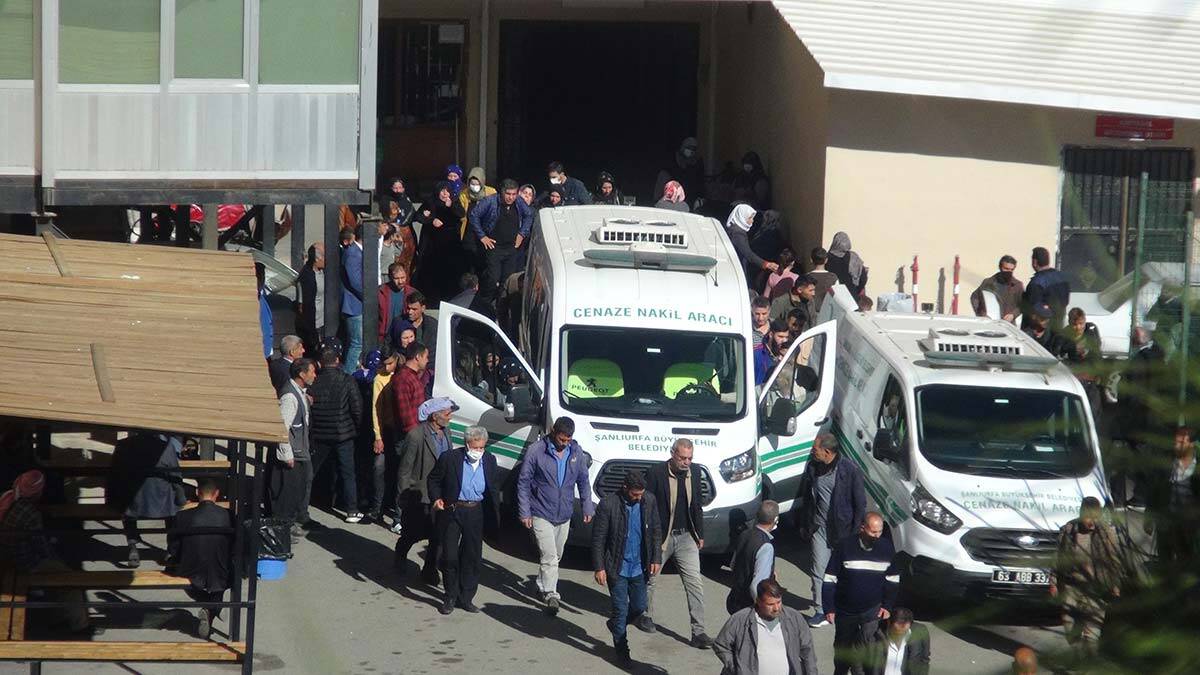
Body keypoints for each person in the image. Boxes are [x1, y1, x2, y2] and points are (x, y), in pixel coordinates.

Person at [0, 471, 96, 636]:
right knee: (69, 580)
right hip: (23, 561)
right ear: (37, 491)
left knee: (56, 572)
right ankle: (80, 626)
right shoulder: (31, 512)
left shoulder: (7, 497)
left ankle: (58, 614)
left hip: (6, 554)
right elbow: (42, 548)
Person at [517, 417, 594, 616]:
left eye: (568, 440)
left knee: (556, 555)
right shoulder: (536, 451)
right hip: (541, 511)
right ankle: (551, 594)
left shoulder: (576, 452)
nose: (564, 444)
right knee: (549, 556)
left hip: (564, 513)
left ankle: (542, 584)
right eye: (561, 440)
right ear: (553, 432)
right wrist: (525, 511)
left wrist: (587, 506)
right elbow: (524, 482)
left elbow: (584, 481)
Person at [643, 439, 712, 648]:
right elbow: (648, 507)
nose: (686, 462)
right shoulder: (656, 473)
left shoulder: (696, 471)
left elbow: (697, 505)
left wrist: (699, 533)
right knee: (651, 579)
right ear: (673, 454)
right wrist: (651, 539)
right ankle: (644, 614)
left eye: (690, 458)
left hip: (687, 537)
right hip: (662, 537)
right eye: (682, 458)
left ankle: (698, 632)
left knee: (695, 584)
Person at [592, 470, 662, 667]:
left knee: (640, 606)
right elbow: (598, 539)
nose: (639, 498)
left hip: (639, 567)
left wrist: (656, 557)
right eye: (635, 494)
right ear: (625, 488)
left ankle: (615, 625)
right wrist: (599, 567)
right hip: (617, 567)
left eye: (641, 494)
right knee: (621, 610)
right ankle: (622, 651)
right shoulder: (608, 505)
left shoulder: (649, 501)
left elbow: (656, 530)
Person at [428, 425, 500, 615]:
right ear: (467, 444)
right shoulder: (450, 458)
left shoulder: (490, 461)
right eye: (475, 447)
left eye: (481, 448)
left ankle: (465, 597)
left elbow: (493, 488)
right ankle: (450, 594)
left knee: (472, 556)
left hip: (475, 512)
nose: (478, 452)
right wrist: (436, 498)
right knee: (450, 556)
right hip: (453, 510)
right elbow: (434, 480)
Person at [796, 434, 866, 629]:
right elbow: (808, 499)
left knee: (844, 572)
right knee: (818, 570)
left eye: (815, 449)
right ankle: (821, 610)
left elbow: (860, 504)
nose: (812, 451)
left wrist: (855, 533)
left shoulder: (849, 470)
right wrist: (804, 523)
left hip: (843, 531)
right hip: (819, 528)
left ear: (827, 452)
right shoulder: (813, 467)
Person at [823, 512, 901, 675]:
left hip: (872, 611)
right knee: (842, 650)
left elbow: (892, 579)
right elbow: (830, 579)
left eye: (879, 532)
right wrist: (829, 608)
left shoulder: (886, 548)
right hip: (845, 611)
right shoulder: (845, 546)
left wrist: (887, 605)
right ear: (862, 528)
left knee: (867, 649)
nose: (877, 536)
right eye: (873, 532)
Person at [395, 396, 458, 582]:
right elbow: (404, 470)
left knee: (438, 535)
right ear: (434, 416)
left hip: (441, 495)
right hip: (419, 494)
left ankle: (429, 569)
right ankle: (400, 553)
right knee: (413, 532)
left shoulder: (447, 432)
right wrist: (403, 498)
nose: (450, 418)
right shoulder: (415, 436)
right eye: (447, 414)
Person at [1051, 496, 1123, 659]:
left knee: (1092, 632)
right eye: (1088, 516)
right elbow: (1058, 557)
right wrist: (1054, 581)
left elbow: (1114, 561)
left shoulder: (1106, 533)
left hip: (1096, 587)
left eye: (1094, 516)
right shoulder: (1069, 530)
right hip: (1071, 586)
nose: (1091, 521)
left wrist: (1115, 584)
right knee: (1070, 627)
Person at [167, 479, 233, 640]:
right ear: (217, 494)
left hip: (191, 567)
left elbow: (173, 547)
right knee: (222, 577)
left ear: (197, 493)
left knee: (187, 578)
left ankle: (209, 605)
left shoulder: (182, 516)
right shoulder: (229, 516)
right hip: (221, 568)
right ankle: (212, 606)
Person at [108, 432, 183, 568]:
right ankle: (171, 550)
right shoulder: (165, 447)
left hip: (132, 498)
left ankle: (132, 545)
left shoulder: (123, 445)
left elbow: (114, 474)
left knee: (127, 508)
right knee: (174, 509)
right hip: (159, 498)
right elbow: (174, 473)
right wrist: (181, 496)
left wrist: (110, 498)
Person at [714, 579, 819, 675]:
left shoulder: (794, 618)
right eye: (770, 604)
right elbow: (721, 645)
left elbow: (808, 651)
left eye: (779, 602)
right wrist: (736, 668)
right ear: (758, 601)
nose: (776, 608)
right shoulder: (740, 620)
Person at [307, 347, 364, 523]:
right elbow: (357, 408)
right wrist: (356, 428)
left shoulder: (314, 382)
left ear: (320, 363)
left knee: (312, 471)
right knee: (347, 472)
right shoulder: (347, 380)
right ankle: (351, 510)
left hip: (320, 434)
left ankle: (303, 504)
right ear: (338, 361)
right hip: (343, 434)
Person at [269, 359, 316, 538]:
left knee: (298, 490)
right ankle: (281, 530)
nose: (314, 375)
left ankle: (288, 524)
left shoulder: (300, 393)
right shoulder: (289, 397)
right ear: (302, 374)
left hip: (300, 451)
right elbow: (283, 428)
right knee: (287, 494)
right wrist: (287, 455)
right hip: (292, 455)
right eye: (311, 371)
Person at [470, 179, 533, 303]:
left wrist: (522, 233)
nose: (511, 197)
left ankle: (501, 308)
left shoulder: (519, 202)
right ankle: (484, 305)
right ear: (502, 192)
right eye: (508, 194)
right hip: (494, 247)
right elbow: (474, 215)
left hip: (512, 248)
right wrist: (482, 236)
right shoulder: (491, 201)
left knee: (507, 282)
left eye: (514, 194)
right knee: (493, 279)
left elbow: (529, 215)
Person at [1146, 426, 1199, 565]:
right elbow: (1154, 488)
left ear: (1191, 444)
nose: (1177, 446)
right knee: (1165, 559)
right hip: (1166, 521)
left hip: (1188, 524)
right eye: (1175, 442)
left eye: (1181, 443)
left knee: (1187, 559)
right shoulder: (1166, 462)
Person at [414, 182, 468, 304]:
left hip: (450, 245)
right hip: (432, 245)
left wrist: (451, 206)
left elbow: (461, 214)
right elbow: (418, 216)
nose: (445, 194)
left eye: (447, 191)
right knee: (430, 273)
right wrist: (431, 219)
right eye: (442, 191)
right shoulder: (430, 202)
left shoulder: (454, 202)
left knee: (450, 272)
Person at [727, 500, 780, 614]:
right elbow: (757, 585)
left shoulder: (744, 535)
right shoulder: (766, 546)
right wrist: (762, 609)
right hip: (749, 606)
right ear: (775, 519)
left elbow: (733, 565)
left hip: (735, 599)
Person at [366, 345, 399, 523]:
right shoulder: (380, 378)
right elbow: (375, 409)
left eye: (390, 363)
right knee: (379, 468)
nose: (387, 368)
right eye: (384, 364)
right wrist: (378, 436)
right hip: (385, 430)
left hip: (400, 431)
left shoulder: (402, 374)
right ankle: (377, 507)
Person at [864, 606, 930, 675]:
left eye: (904, 632)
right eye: (896, 632)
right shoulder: (870, 632)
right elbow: (857, 663)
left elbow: (924, 660)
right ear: (888, 623)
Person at [1064, 307, 1104, 417]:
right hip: (1073, 381)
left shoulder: (1091, 335)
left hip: (1090, 381)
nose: (1078, 327)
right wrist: (1072, 348)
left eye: (1081, 324)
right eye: (1075, 324)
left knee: (1092, 412)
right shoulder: (1063, 336)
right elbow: (1058, 354)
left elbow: (1097, 357)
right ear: (1070, 323)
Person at [727, 203, 778, 286]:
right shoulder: (738, 234)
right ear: (741, 217)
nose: (752, 221)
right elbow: (748, 254)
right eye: (750, 218)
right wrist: (766, 264)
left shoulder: (736, 228)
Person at [1022, 246, 1070, 329]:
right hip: (1058, 326)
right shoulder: (1062, 278)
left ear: (1035, 262)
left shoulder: (1036, 282)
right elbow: (1065, 301)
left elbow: (1035, 307)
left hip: (1039, 330)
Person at [392, 342, 431, 440]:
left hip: (416, 432)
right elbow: (405, 414)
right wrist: (416, 436)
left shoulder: (413, 376)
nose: (427, 360)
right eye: (426, 357)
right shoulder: (403, 379)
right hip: (408, 437)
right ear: (418, 357)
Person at [339, 225, 364, 374]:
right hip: (354, 305)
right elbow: (355, 281)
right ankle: (348, 376)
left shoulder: (357, 251)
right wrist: (369, 297)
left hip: (357, 304)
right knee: (357, 343)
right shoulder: (353, 253)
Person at [969, 255, 1024, 322]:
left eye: (1011, 269)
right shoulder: (988, 282)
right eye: (1006, 268)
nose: (1009, 272)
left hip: (1008, 326)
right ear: (1000, 267)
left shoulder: (1017, 285)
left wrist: (1013, 315)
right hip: (990, 324)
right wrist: (981, 314)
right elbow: (975, 297)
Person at [655, 137, 705, 209]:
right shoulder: (672, 163)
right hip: (669, 201)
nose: (691, 151)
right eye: (689, 148)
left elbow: (699, 184)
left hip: (688, 202)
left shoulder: (696, 164)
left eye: (694, 149)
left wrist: (699, 199)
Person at [389, 291, 439, 362]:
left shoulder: (432, 325)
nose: (410, 312)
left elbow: (434, 351)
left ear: (423, 308)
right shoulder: (398, 322)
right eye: (408, 308)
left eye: (414, 309)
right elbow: (388, 343)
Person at [295, 243, 325, 357]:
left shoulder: (323, 271)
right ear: (317, 259)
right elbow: (302, 306)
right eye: (324, 256)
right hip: (313, 325)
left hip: (323, 322)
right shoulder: (306, 277)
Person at [377, 263, 416, 345]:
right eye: (397, 278)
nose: (400, 281)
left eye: (403, 278)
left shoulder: (412, 293)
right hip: (384, 337)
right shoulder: (380, 292)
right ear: (390, 277)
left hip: (404, 338)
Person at [457, 166, 497, 240]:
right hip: (469, 232)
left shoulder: (491, 192)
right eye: (472, 184)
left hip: (486, 232)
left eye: (477, 184)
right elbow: (461, 213)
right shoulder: (464, 194)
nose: (474, 186)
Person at [827, 232, 869, 301]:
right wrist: (856, 290)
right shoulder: (854, 257)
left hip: (833, 296)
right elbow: (863, 278)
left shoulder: (827, 258)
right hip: (852, 296)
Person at [754, 320, 792, 386]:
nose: (784, 341)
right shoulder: (757, 354)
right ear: (771, 334)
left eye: (786, 337)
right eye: (780, 337)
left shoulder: (788, 353)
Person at [809, 247, 839, 313]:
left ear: (811, 260)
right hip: (828, 312)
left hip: (810, 312)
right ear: (826, 260)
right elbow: (837, 298)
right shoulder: (833, 277)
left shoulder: (806, 277)